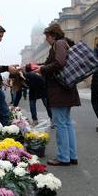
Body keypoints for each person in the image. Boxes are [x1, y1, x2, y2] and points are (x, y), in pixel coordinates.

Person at [33, 23, 81, 166]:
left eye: (47, 37)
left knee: (60, 123)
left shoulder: (59, 44)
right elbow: (51, 63)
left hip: (59, 90)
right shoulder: (63, 44)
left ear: (52, 36)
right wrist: (36, 66)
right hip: (65, 88)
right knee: (66, 123)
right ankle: (71, 156)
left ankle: (63, 157)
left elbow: (59, 62)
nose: (46, 40)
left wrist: (41, 70)